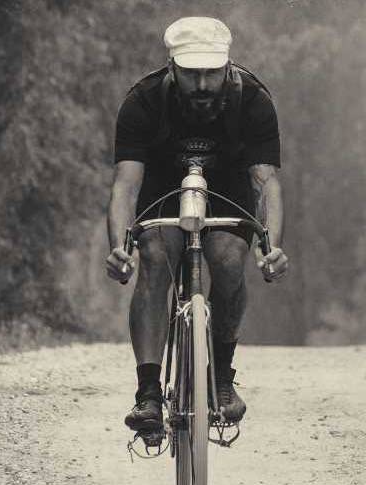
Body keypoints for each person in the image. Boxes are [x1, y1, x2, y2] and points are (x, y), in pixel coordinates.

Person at [104, 17, 289, 432]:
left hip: (228, 188)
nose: (203, 84)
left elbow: (266, 183)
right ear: (172, 68)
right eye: (192, 74)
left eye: (211, 73)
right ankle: (149, 393)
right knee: (154, 257)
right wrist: (120, 246)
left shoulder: (254, 99)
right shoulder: (143, 100)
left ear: (227, 66)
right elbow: (126, 185)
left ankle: (221, 377)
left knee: (226, 260)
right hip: (163, 187)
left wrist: (271, 246)